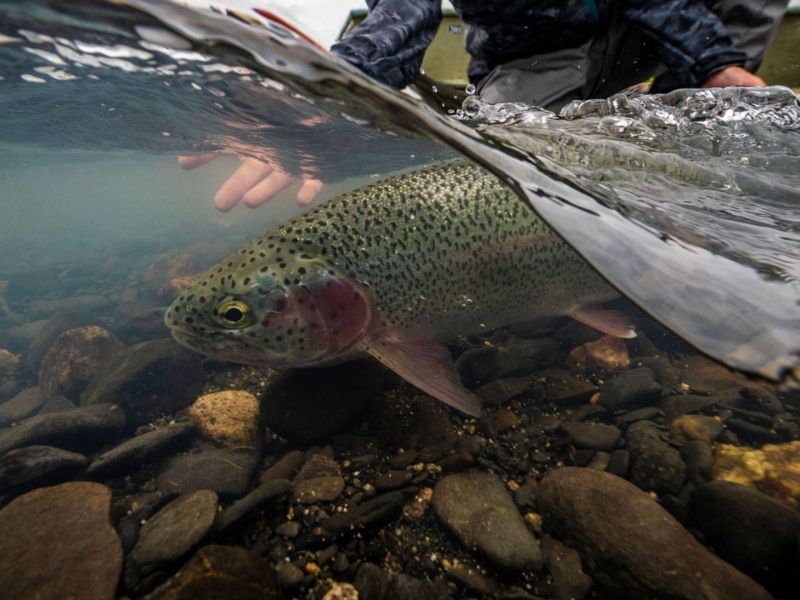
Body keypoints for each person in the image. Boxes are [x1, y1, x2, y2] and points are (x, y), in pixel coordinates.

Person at [183, 0, 788, 208]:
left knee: (715, 72)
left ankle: (701, 124)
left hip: (638, 28)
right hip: (525, 58)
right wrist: (340, 83)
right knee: (503, 150)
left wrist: (711, 64)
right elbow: (399, 17)